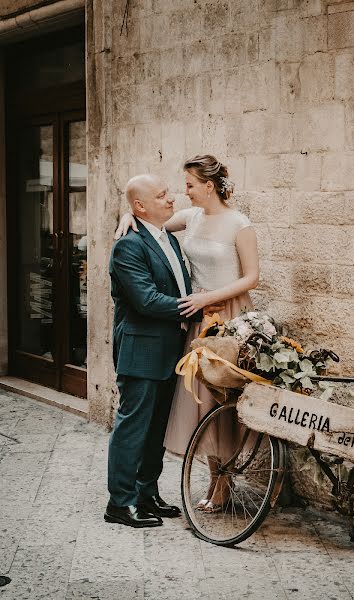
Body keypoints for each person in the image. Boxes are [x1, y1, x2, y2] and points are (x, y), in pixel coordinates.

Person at [115, 155, 259, 512]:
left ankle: (222, 484)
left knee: (225, 403)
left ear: (208, 186)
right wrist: (126, 215)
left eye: (189, 186)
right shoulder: (191, 218)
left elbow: (252, 277)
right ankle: (211, 481)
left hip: (227, 315)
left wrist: (207, 298)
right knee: (203, 404)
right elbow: (151, 221)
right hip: (195, 320)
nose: (181, 194)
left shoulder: (239, 223)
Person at [107, 174, 199, 528]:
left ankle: (147, 493)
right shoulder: (128, 246)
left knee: (157, 426)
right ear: (140, 206)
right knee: (133, 426)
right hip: (141, 351)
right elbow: (145, 300)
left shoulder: (167, 238)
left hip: (169, 349)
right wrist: (197, 306)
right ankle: (120, 502)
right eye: (162, 196)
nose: (171, 199)